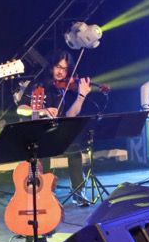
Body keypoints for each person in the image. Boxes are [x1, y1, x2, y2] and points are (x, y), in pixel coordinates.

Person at [15, 50, 92, 206]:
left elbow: (70, 116)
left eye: (65, 69)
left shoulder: (66, 88)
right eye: (58, 67)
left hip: (56, 132)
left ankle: (78, 192)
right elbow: (20, 109)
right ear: (52, 66)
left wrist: (81, 96)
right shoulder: (38, 83)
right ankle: (46, 191)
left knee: (74, 148)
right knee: (43, 154)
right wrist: (42, 111)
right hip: (39, 132)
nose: (60, 72)